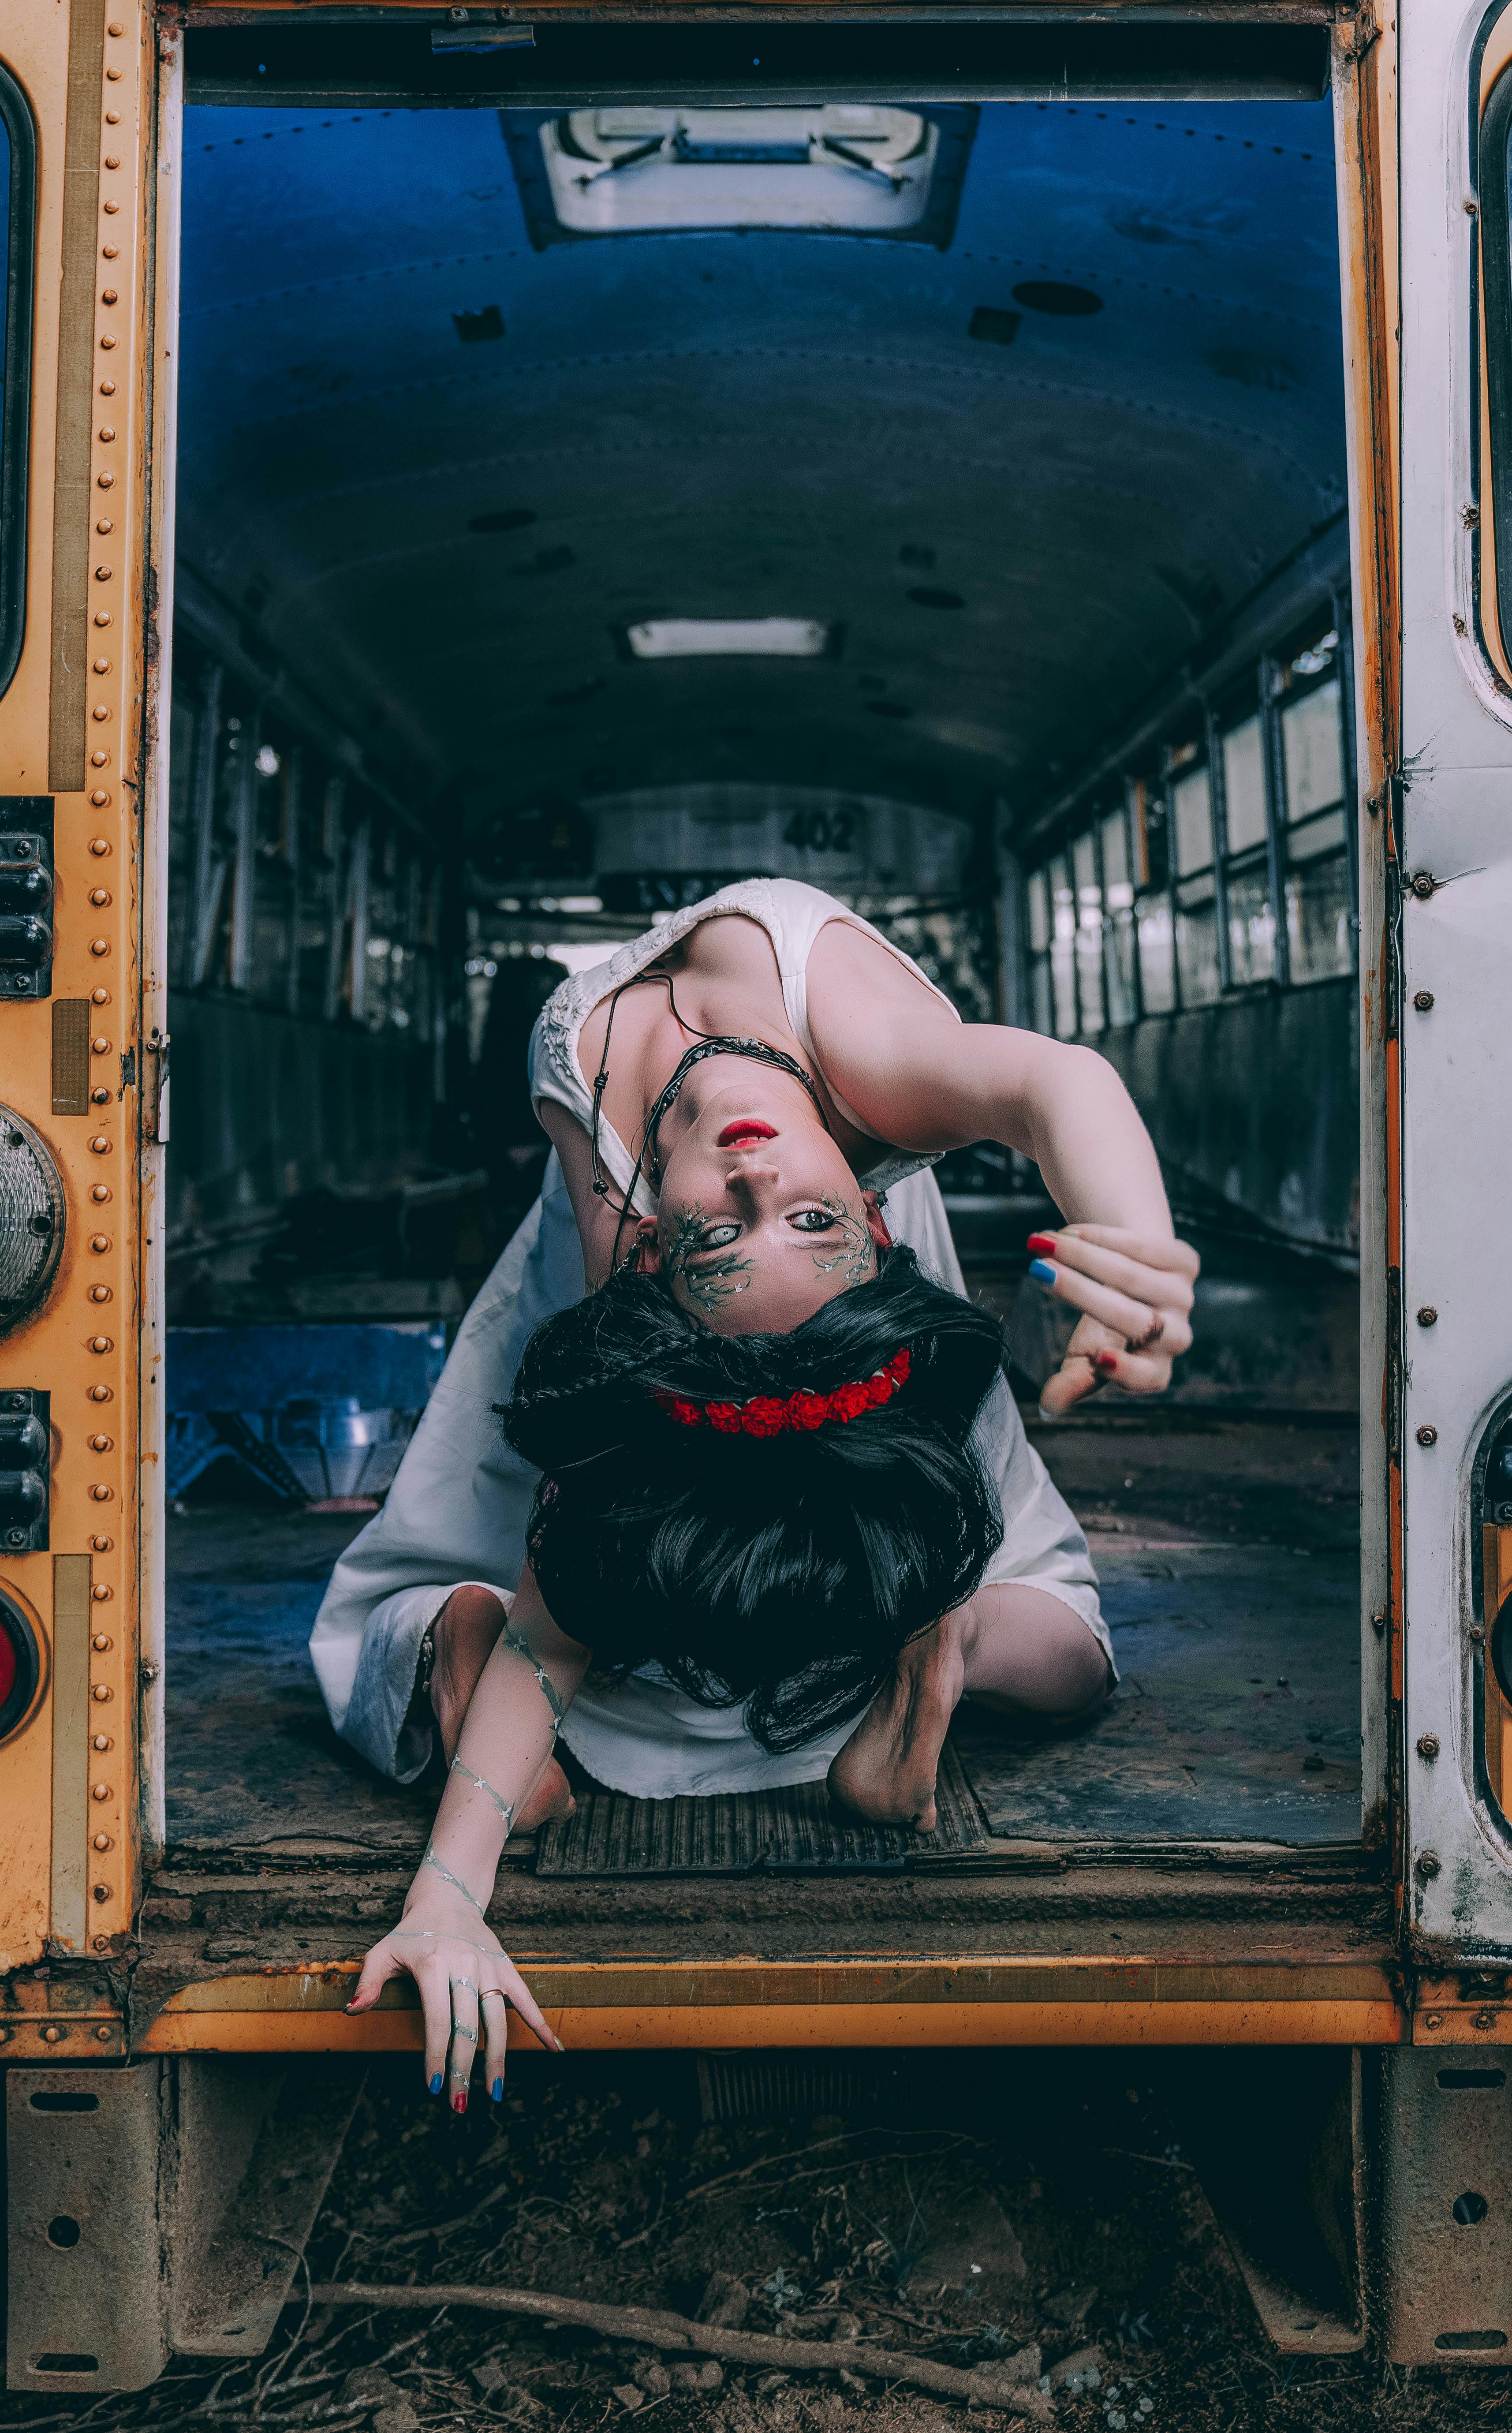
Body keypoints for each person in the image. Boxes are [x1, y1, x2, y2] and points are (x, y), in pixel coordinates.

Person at [310, 878, 1197, 2110]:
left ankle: (938, 1628)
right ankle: (907, 1626)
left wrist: (1134, 1257)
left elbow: (1056, 1086)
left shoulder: (851, 1079)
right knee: (652, 1555)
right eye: (759, 1224)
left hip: (858, 1355)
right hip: (740, 1352)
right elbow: (586, 1536)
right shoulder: (647, 1262)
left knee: (970, 1577)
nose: (748, 1179)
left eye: (779, 1221)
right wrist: (445, 1898)